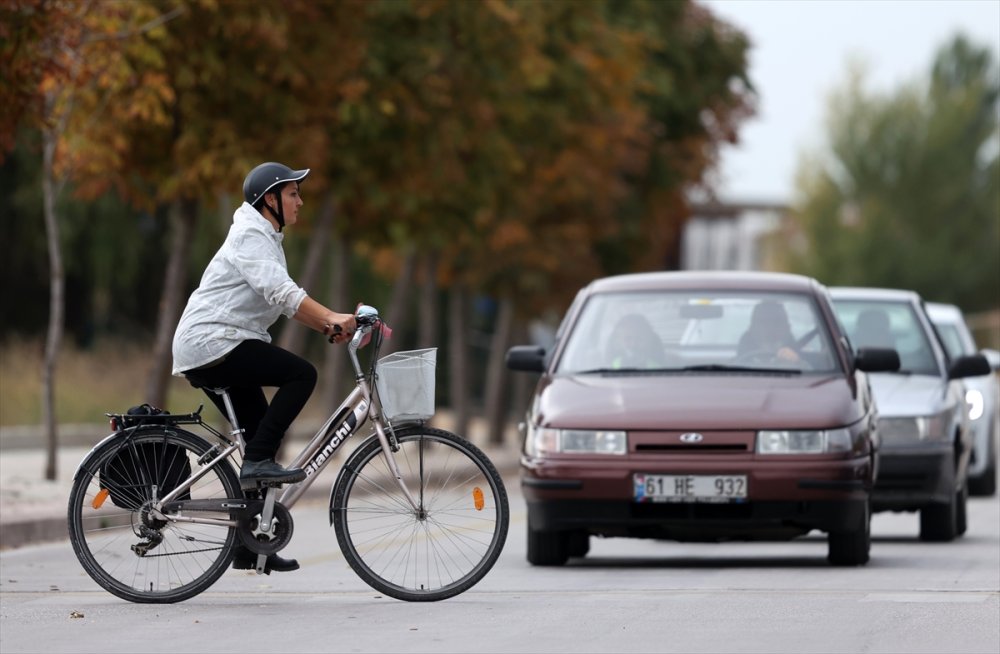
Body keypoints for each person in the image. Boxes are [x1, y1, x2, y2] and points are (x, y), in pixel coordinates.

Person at [171, 162, 356, 574]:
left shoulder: (265, 236)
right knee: (302, 375)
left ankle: (246, 545)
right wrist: (330, 315)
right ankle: (255, 464)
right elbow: (282, 292)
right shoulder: (250, 235)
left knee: (260, 443)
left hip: (224, 343)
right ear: (269, 199)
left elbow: (283, 302)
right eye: (293, 194)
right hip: (214, 342)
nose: (300, 201)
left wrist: (329, 324)